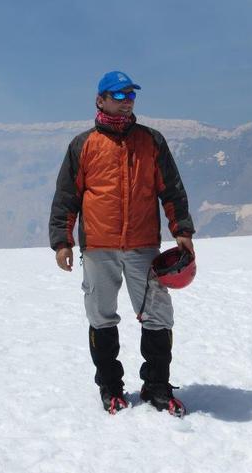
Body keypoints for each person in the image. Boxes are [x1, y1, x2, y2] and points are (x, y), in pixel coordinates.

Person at [49, 70, 195, 416]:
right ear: (100, 100)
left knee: (158, 316)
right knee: (101, 317)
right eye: (118, 95)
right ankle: (110, 388)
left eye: (130, 94)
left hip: (143, 246)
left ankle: (157, 387)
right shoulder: (83, 145)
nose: (126, 100)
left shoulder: (151, 141)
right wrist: (62, 241)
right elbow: (67, 197)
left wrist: (182, 231)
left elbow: (171, 190)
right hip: (98, 248)